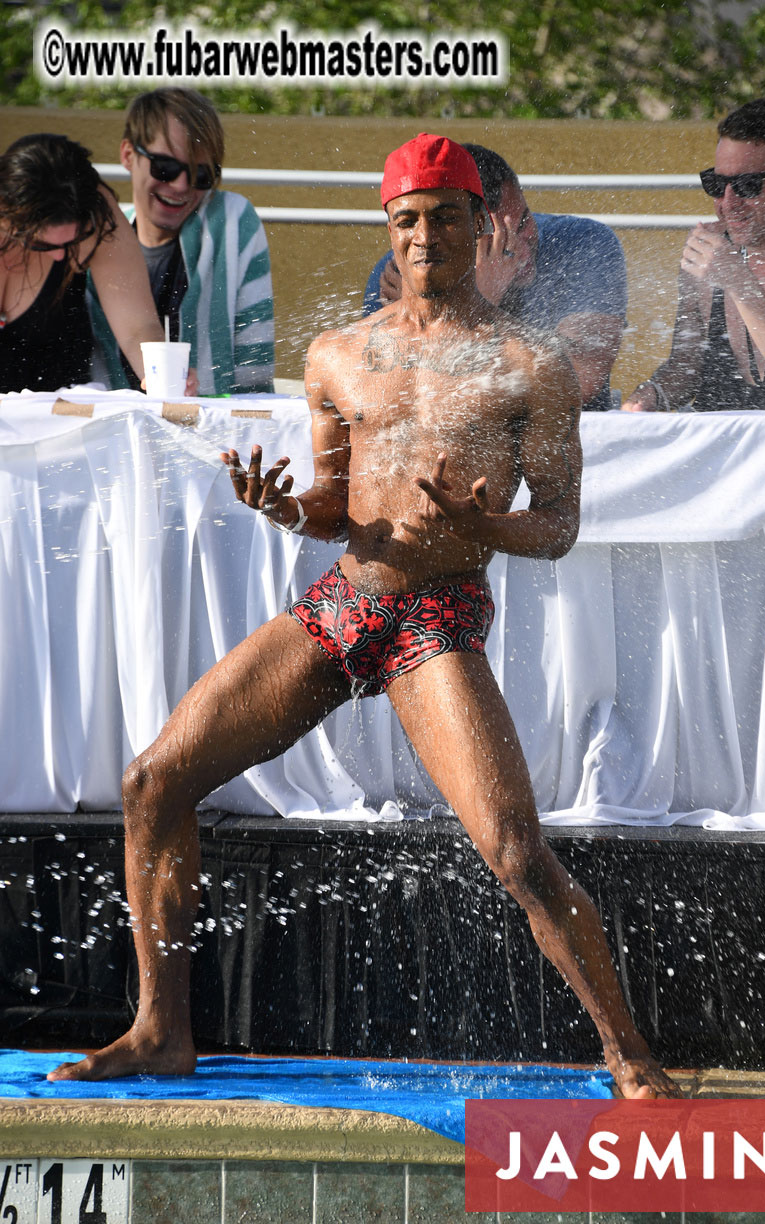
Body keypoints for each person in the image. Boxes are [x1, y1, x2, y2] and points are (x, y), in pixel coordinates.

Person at [49, 134, 678, 1099]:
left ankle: (630, 1054)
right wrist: (282, 507)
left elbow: (559, 526)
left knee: (515, 849)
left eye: (445, 216)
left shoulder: (528, 363)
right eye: (407, 219)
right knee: (153, 780)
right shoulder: (340, 353)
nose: (425, 235)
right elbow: (335, 507)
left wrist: (488, 524)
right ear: (388, 226)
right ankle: (160, 1028)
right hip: (348, 599)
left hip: (436, 616)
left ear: (481, 223)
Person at [362, 142, 627, 412]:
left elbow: (579, 380)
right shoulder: (406, 267)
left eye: (524, 222)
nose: (523, 250)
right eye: (500, 242)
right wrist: (477, 299)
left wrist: (472, 305)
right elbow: (398, 405)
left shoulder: (581, 245)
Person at [623, 98, 765, 413]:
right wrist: (653, 394)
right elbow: (686, 366)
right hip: (721, 454)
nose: (727, 202)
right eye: (716, 183)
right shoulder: (711, 254)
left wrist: (738, 283)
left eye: (748, 185)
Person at [90, 88, 275, 396]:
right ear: (127, 154)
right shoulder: (95, 237)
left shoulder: (231, 223)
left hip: (211, 437)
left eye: (201, 175)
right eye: (166, 167)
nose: (181, 186)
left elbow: (255, 373)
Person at [0, 133, 166, 394]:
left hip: (65, 403)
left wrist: (161, 376)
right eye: (40, 245)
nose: (58, 257)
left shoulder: (96, 212)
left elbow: (137, 327)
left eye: (71, 243)